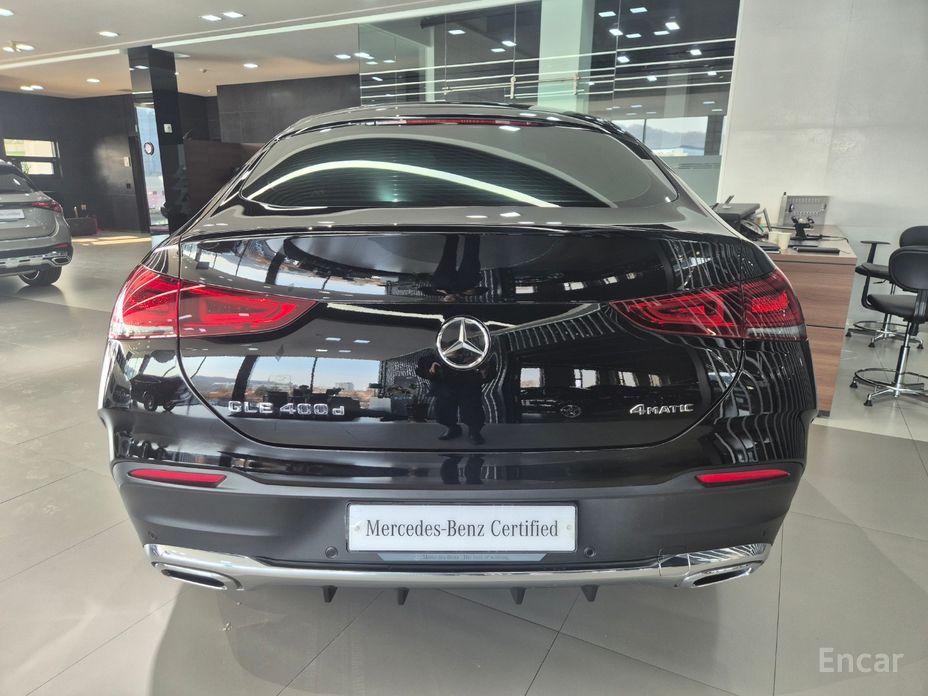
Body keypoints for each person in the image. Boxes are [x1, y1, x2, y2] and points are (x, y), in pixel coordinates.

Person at [416, 353, 491, 444]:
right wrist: (432, 370)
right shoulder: (435, 358)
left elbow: (486, 373)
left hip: (468, 388)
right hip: (445, 388)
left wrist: (482, 371)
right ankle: (453, 428)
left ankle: (474, 432)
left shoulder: (472, 356)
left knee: (472, 412)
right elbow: (423, 371)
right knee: (442, 413)